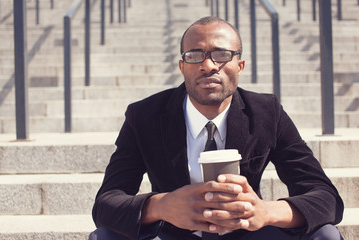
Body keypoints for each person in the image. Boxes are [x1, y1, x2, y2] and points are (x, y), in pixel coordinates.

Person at [89, 16, 344, 240]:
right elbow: (106, 204)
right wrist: (161, 206)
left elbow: (326, 198)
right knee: (105, 236)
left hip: (247, 234)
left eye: (222, 55)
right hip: (172, 233)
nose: (208, 65)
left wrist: (265, 212)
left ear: (240, 66)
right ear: (182, 67)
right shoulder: (144, 116)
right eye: (194, 55)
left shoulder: (267, 112)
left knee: (325, 234)